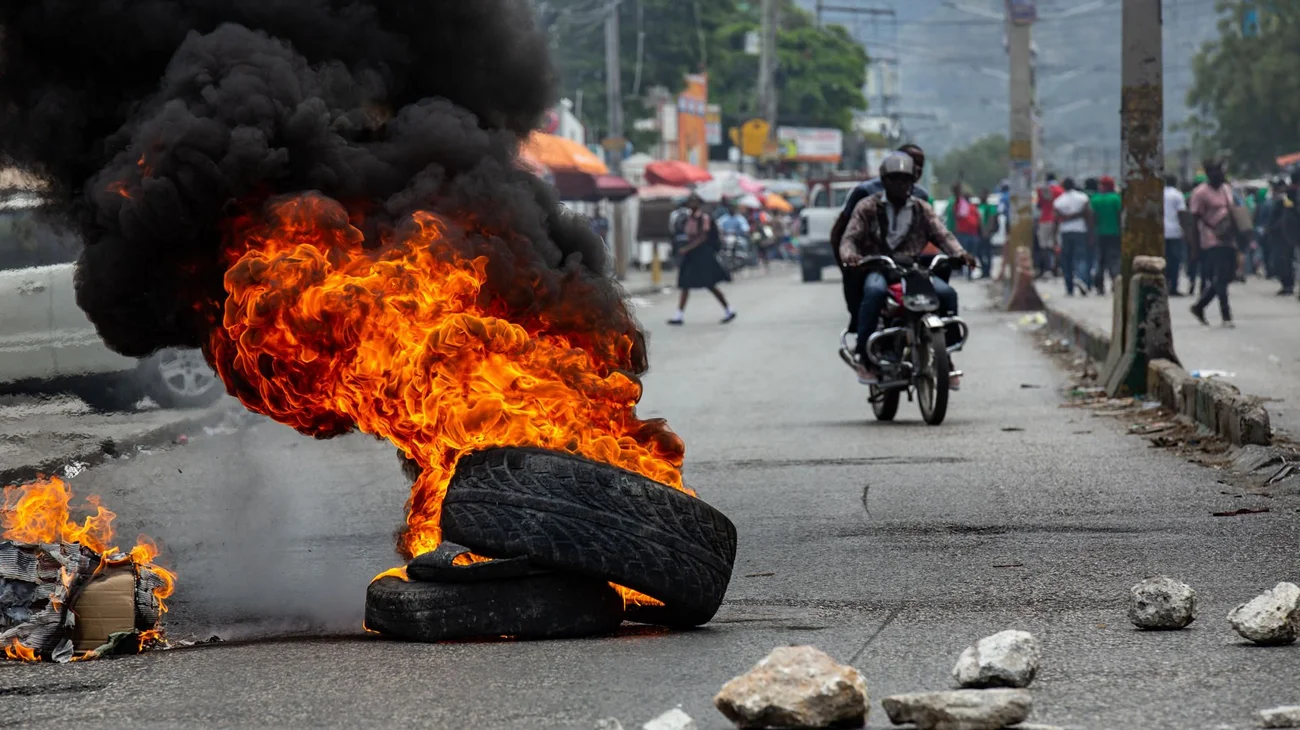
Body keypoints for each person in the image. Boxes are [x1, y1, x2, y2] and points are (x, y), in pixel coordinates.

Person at [839, 153, 977, 386]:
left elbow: (943, 235)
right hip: (879, 266)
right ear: (884, 181)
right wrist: (850, 255)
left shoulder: (922, 209)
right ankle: (865, 357)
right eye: (895, 179)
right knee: (874, 292)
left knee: (946, 294)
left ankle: (946, 356)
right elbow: (849, 238)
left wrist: (960, 254)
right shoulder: (867, 207)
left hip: (913, 269)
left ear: (912, 182)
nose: (901, 185)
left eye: (906, 180)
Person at [830, 143, 932, 332]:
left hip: (908, 266)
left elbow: (933, 233)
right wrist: (847, 265)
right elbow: (841, 232)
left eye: (921, 165)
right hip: (873, 265)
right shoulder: (865, 193)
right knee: (872, 294)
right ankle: (864, 342)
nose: (917, 169)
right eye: (913, 163)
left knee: (940, 294)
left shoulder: (921, 197)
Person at [669, 194, 736, 326]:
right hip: (691, 255)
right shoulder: (687, 218)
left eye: (694, 202)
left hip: (702, 254)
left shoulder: (704, 218)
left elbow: (703, 237)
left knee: (710, 284)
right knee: (685, 283)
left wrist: (687, 248)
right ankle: (679, 315)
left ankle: (729, 309)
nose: (691, 204)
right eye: (690, 202)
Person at [1189, 160, 1238, 328]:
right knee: (1221, 276)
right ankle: (1226, 315)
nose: (1221, 175)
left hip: (1228, 237)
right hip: (1211, 238)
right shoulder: (1200, 193)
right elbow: (1194, 220)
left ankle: (1199, 306)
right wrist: (1194, 247)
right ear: (1209, 174)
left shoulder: (1226, 189)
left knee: (1228, 276)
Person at [1051, 178, 1094, 296]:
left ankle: (1069, 287)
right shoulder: (1083, 198)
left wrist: (1054, 238)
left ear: (1063, 187)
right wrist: (1091, 233)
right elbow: (1089, 215)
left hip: (1065, 231)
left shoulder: (1058, 201)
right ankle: (1081, 279)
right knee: (1081, 258)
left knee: (1067, 260)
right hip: (1080, 230)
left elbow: (1055, 220)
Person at [1260, 178, 1298, 295]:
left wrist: (1273, 227)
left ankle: (1288, 285)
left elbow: (1286, 216)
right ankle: (1287, 284)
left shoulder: (1287, 200)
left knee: (1284, 261)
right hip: (1281, 235)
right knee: (1281, 261)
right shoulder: (1281, 200)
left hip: (1285, 235)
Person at [1091, 176, 1122, 295]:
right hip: (1114, 233)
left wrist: (1091, 233)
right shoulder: (1116, 198)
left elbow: (1092, 218)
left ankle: (1099, 286)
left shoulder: (1095, 199)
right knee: (1114, 259)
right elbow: (1119, 215)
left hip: (1099, 234)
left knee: (1100, 260)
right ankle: (1115, 282)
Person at [947, 183, 983, 280]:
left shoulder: (973, 207)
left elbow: (979, 220)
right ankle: (963, 272)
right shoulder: (958, 205)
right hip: (963, 234)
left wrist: (981, 232)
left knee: (972, 255)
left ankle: (970, 273)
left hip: (973, 234)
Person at [1163, 174, 1188, 296]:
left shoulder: (1159, 194)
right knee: (1175, 261)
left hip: (1162, 232)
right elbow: (1181, 213)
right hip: (1175, 232)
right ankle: (1173, 287)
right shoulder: (1178, 195)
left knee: (1164, 260)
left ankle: (1164, 285)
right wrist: (1185, 230)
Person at [1036, 173, 1065, 278]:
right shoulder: (1061, 190)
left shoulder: (1041, 190)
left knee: (1044, 246)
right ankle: (1058, 268)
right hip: (1058, 220)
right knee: (1057, 244)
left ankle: (1047, 269)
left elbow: (1039, 205)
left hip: (1044, 219)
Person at [977, 188, 998, 279]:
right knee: (979, 252)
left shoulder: (990, 207)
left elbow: (991, 219)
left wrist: (987, 231)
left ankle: (988, 271)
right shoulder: (979, 206)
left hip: (986, 233)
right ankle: (984, 269)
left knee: (987, 252)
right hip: (978, 233)